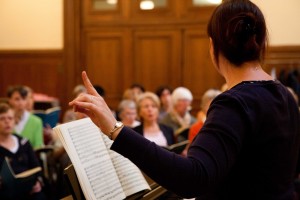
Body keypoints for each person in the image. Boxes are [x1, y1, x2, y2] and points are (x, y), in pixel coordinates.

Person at [69, 0, 300, 199]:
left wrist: (115, 129)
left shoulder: (234, 103)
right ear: (259, 43)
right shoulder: (284, 95)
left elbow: (193, 178)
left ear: (213, 46)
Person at [0, 103, 46, 200]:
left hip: (30, 190)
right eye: (2, 119)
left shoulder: (23, 142)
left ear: (14, 121)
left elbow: (36, 167)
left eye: (10, 118)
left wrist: (37, 182)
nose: (7, 122)